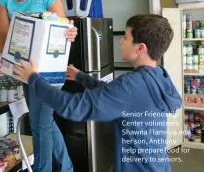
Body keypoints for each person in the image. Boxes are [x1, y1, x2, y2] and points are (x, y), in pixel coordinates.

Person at [13, 14, 182, 172]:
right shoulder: (158, 74)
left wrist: (33, 78)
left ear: (140, 48)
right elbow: (113, 93)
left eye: (125, 37)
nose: (120, 41)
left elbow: (72, 107)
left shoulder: (130, 85)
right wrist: (81, 77)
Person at [0, 0, 77, 172]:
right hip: (24, 70)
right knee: (45, 122)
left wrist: (70, 31)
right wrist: (8, 57)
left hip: (47, 73)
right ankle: (67, 168)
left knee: (39, 126)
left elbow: (63, 29)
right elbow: (1, 33)